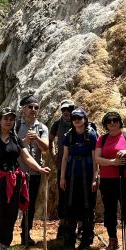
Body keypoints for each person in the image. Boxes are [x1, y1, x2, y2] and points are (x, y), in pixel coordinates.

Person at [0, 106, 51, 250]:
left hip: (13, 180)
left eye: (12, 119)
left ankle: (3, 249)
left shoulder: (15, 138)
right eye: (6, 118)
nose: (9, 121)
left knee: (10, 215)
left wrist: (39, 169)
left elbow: (26, 157)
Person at [93, 110, 126, 250]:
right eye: (109, 121)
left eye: (115, 120)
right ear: (105, 124)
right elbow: (97, 159)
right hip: (107, 180)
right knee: (109, 211)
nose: (112, 123)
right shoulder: (102, 138)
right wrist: (113, 162)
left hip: (125, 178)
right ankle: (113, 240)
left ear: (120, 122)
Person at [58, 108, 98, 250]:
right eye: (74, 118)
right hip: (72, 175)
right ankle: (69, 241)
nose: (76, 120)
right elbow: (64, 157)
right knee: (69, 206)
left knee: (87, 207)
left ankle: (86, 241)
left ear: (85, 119)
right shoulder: (69, 135)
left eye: (79, 118)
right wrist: (62, 177)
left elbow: (95, 158)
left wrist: (95, 177)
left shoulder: (91, 135)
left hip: (87, 175)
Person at [15, 95, 50, 247]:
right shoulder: (16, 126)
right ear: (23, 109)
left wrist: (37, 139)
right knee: (12, 204)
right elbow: (10, 147)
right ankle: (4, 238)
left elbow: (46, 148)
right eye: (30, 107)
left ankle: (26, 235)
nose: (33, 110)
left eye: (36, 107)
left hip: (35, 173)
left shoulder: (42, 128)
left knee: (30, 204)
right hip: (17, 173)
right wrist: (25, 142)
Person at [49, 99, 76, 238]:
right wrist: (53, 155)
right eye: (64, 109)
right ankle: (62, 225)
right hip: (62, 165)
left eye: (69, 109)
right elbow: (50, 139)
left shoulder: (78, 122)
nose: (66, 112)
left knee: (77, 194)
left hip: (78, 166)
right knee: (63, 194)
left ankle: (77, 226)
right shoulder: (57, 124)